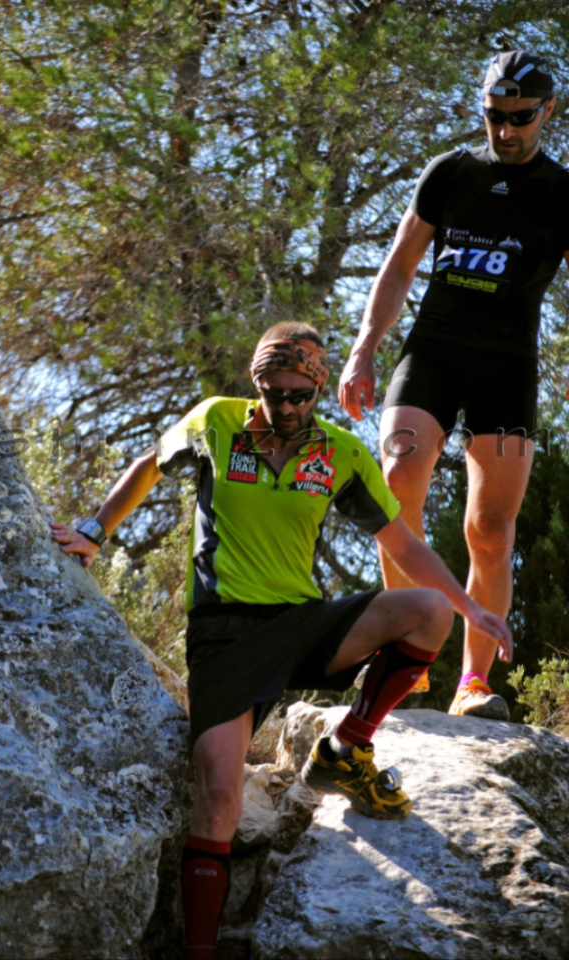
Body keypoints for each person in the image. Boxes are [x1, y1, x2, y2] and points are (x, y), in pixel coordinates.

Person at [51, 322, 511, 960]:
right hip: (225, 636)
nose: (286, 407)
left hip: (304, 623)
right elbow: (150, 466)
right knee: (219, 797)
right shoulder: (217, 423)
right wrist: (94, 531)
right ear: (257, 383)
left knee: (428, 612)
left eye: (300, 394)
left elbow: (403, 544)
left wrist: (470, 608)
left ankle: (344, 749)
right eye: (274, 392)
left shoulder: (340, 452)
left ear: (318, 387)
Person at [339, 50, 569, 721]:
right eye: (495, 117)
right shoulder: (451, 173)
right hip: (433, 351)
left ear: (547, 112)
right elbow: (400, 264)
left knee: (491, 531)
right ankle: (406, 663)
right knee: (398, 477)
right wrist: (362, 352)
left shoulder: (561, 193)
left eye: (521, 118)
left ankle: (474, 685)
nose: (506, 131)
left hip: (507, 365)